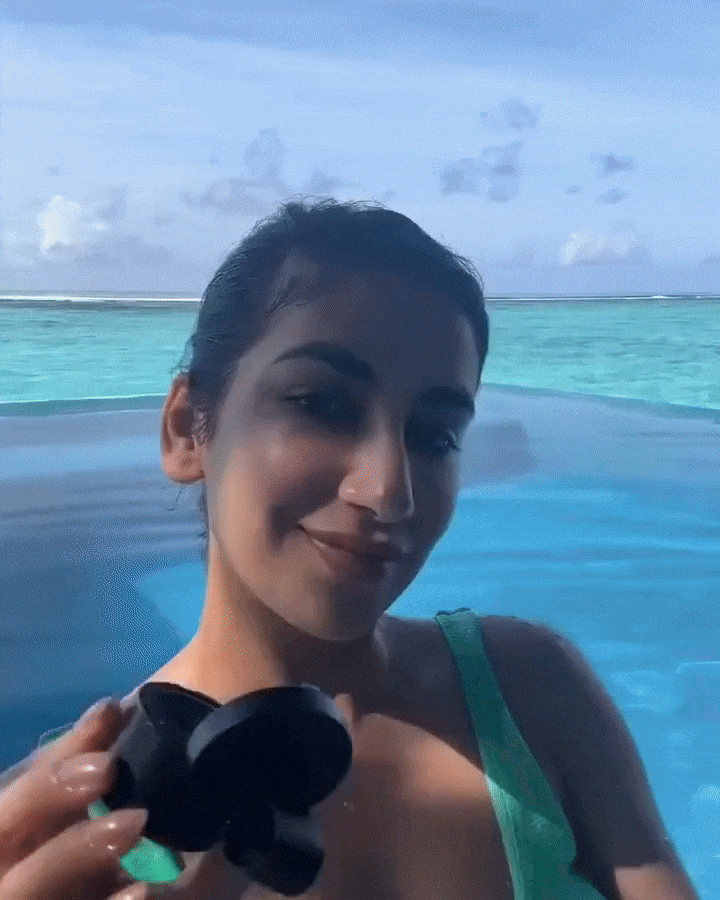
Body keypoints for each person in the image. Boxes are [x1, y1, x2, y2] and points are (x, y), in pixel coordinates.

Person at [0, 198, 700, 900]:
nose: (389, 491)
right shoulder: (56, 819)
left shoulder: (530, 690)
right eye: (322, 404)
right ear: (187, 430)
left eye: (434, 435)